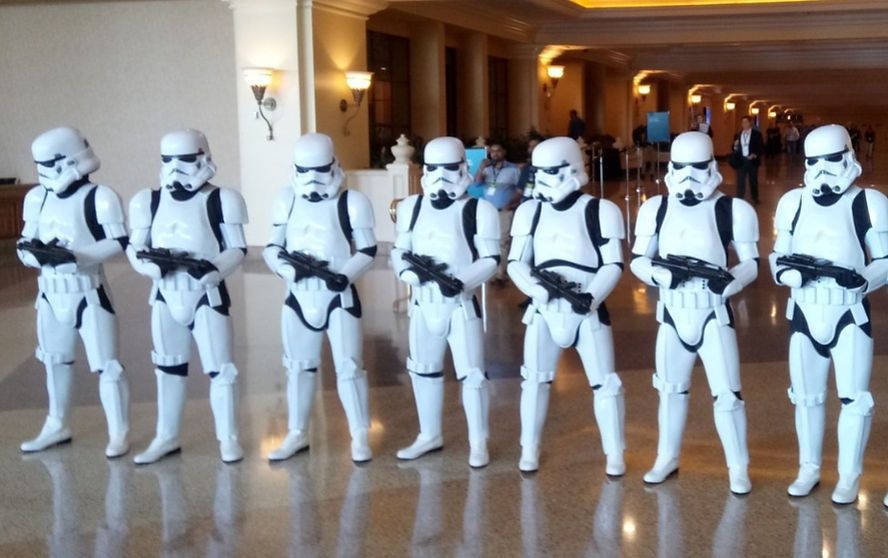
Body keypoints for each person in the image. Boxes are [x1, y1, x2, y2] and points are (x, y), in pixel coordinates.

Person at [630, 131, 759, 495]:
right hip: (672, 314)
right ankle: (666, 456)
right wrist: (659, 274)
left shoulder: (733, 209)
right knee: (670, 390)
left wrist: (729, 283)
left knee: (728, 395)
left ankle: (738, 466)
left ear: (712, 167)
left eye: (697, 168)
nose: (688, 177)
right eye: (681, 169)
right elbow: (639, 259)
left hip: (713, 313)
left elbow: (751, 263)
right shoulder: (656, 208)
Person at [769, 124, 888, 505]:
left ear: (848, 157)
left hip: (848, 313)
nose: (821, 170)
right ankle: (809, 467)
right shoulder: (793, 202)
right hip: (803, 311)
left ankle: (849, 476)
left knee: (854, 398)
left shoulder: (868, 203)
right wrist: (785, 272)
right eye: (813, 162)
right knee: (805, 397)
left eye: (831, 160)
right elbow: (778, 253)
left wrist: (863, 281)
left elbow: (885, 259)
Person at [128, 129, 248, 464]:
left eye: (185, 161)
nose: (176, 169)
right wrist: (150, 267)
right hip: (165, 294)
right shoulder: (147, 201)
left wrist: (213, 269)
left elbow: (236, 248)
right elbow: (135, 246)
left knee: (221, 370)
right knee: (167, 368)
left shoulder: (223, 199)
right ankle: (166, 436)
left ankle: (228, 437)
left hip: (206, 295)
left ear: (203, 158)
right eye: (169, 161)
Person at [507, 137, 626, 475]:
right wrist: (533, 288)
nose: (544, 179)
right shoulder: (530, 211)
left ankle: (614, 452)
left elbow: (613, 263)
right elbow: (516, 261)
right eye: (539, 172)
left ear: (572, 168)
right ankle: (529, 448)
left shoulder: (600, 210)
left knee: (605, 384)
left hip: (586, 308)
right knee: (534, 380)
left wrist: (592, 296)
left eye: (552, 172)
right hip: (543, 309)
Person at [17, 127, 130, 457]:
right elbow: (26, 240)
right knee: (54, 361)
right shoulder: (37, 197)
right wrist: (33, 254)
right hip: (51, 294)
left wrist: (78, 258)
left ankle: (118, 431)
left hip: (88, 291)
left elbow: (119, 241)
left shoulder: (100, 197)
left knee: (107, 365)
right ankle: (57, 422)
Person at [263, 133, 376, 463]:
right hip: (298, 295)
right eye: (305, 170)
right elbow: (272, 246)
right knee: (298, 367)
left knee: (349, 368)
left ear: (334, 166)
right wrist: (287, 270)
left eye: (320, 170)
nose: (312, 179)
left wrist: (344, 274)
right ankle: (297, 432)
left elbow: (368, 250)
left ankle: (359, 434)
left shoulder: (352, 202)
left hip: (338, 296)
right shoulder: (287, 199)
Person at [391, 136, 500, 468]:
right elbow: (399, 251)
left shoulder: (478, 209)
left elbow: (492, 259)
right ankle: (429, 434)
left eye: (449, 168)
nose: (441, 176)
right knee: (423, 371)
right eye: (433, 169)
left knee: (473, 375)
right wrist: (410, 274)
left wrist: (462, 281)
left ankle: (478, 441)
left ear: (463, 168)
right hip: (423, 302)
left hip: (460, 303)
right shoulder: (410, 207)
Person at [474, 143, 521, 283]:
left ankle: (500, 274)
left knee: (503, 242)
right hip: (487, 213)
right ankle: (490, 272)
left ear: (504, 152)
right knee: (487, 240)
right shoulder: (486, 170)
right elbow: (476, 183)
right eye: (492, 151)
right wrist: (481, 168)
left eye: (498, 151)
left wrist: (511, 204)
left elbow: (521, 190)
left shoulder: (513, 170)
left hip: (503, 211)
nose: (495, 154)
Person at [732, 116, 763, 204]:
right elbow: (734, 148)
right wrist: (735, 146)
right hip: (741, 160)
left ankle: (755, 198)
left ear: (750, 123)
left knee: (753, 180)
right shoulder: (738, 135)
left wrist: (754, 154)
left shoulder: (756, 134)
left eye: (746, 122)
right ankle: (740, 197)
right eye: (742, 122)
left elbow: (760, 147)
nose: (744, 124)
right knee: (740, 180)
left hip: (752, 161)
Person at [518, 134, 543, 202]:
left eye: (535, 146)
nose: (532, 149)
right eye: (530, 146)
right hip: (526, 204)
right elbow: (520, 191)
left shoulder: (549, 167)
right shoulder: (526, 167)